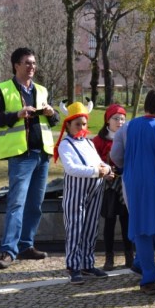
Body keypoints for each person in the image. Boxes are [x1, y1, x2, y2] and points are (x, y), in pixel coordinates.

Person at [0, 47, 59, 269]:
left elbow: (54, 120)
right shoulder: (2, 90)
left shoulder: (42, 90)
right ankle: (8, 251)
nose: (32, 67)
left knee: (35, 205)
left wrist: (52, 113)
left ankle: (26, 246)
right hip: (21, 156)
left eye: (34, 63)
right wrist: (15, 115)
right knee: (16, 204)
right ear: (16, 65)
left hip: (42, 155)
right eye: (27, 63)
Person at [110, 88, 155, 295]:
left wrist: (127, 165)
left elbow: (115, 155)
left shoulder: (127, 128)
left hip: (133, 183)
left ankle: (148, 278)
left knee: (140, 228)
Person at [54, 101, 111, 284]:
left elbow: (99, 162)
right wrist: (96, 171)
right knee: (75, 228)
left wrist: (107, 169)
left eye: (84, 124)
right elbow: (71, 168)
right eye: (77, 124)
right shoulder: (65, 144)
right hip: (76, 192)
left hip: (95, 189)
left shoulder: (88, 142)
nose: (81, 127)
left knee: (91, 228)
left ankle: (87, 263)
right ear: (68, 125)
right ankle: (73, 266)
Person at [93, 103, 133, 271]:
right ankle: (109, 257)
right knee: (109, 221)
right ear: (107, 120)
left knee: (126, 221)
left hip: (125, 183)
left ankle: (129, 255)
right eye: (116, 118)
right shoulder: (98, 140)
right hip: (108, 185)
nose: (120, 122)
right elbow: (93, 160)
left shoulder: (129, 137)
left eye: (123, 119)